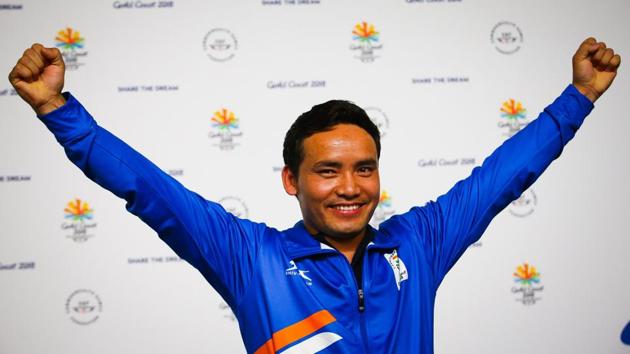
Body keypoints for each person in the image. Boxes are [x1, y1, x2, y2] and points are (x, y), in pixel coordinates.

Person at [8, 38, 620, 354]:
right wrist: (58, 110)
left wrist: (580, 96)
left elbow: (501, 177)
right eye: (327, 171)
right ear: (290, 181)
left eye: (364, 169)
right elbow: (148, 188)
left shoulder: (419, 243)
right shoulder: (250, 256)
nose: (350, 187)